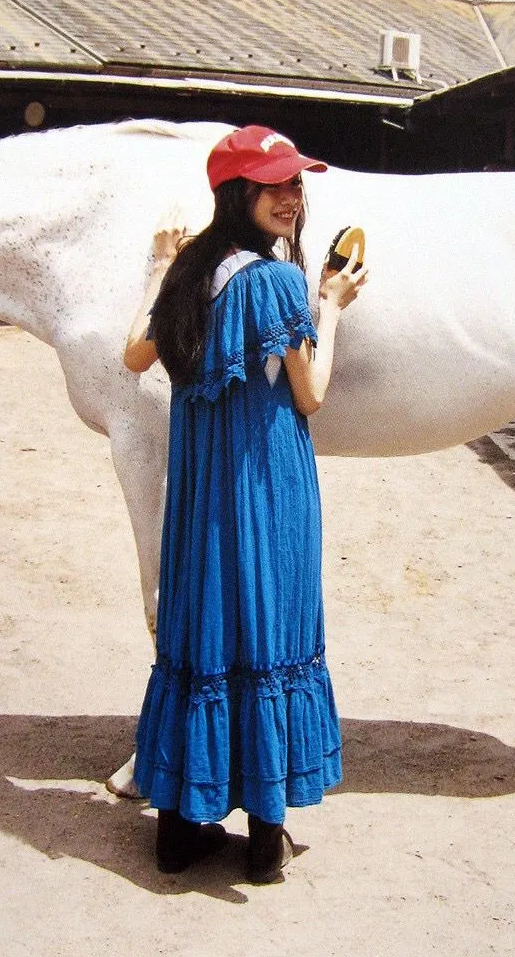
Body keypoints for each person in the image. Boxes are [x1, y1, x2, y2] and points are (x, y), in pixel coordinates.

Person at [123, 125, 367, 883]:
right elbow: (313, 395)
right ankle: (265, 841)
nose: (290, 198)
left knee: (203, 632)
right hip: (266, 484)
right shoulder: (273, 282)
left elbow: (134, 354)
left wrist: (159, 264)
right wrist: (330, 304)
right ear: (239, 192)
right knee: (266, 628)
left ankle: (179, 830)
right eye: (274, 185)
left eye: (296, 184)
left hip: (201, 498)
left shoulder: (194, 271)